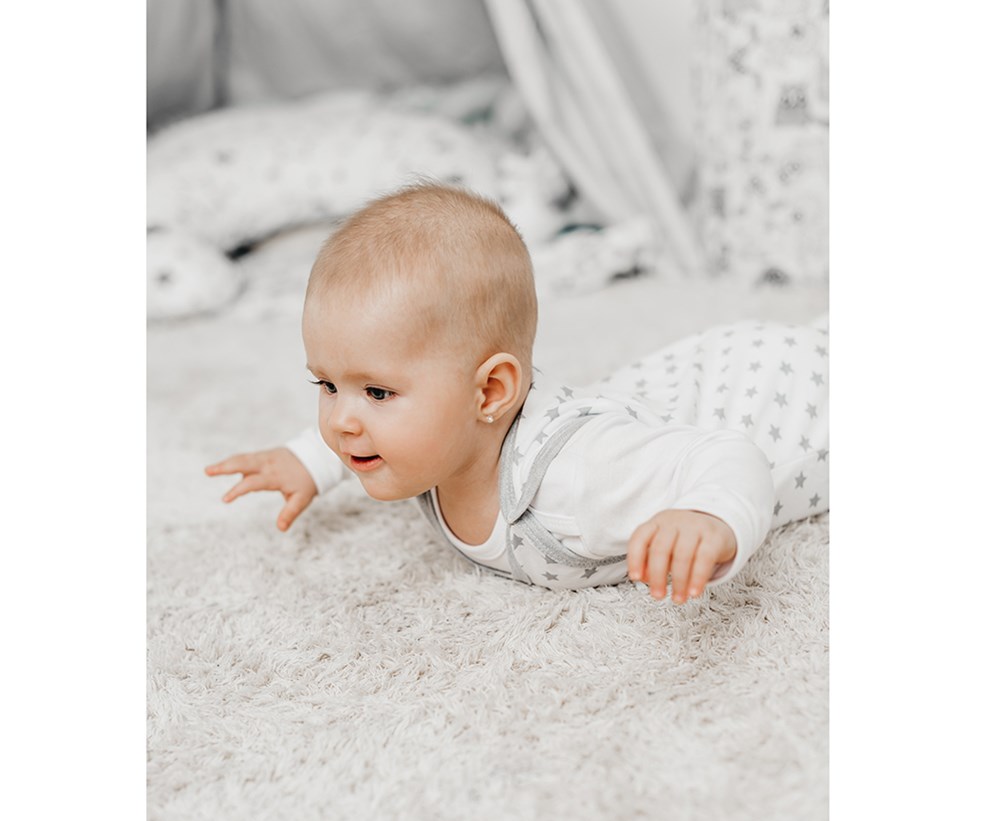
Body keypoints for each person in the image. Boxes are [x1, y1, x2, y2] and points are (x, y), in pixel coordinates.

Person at [205, 183, 828, 602]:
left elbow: (729, 453)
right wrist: (307, 460)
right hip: (684, 383)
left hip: (785, 391)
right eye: (326, 385)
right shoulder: (434, 438)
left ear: (490, 392)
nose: (341, 420)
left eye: (377, 392)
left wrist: (709, 515)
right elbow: (361, 428)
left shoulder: (579, 478)